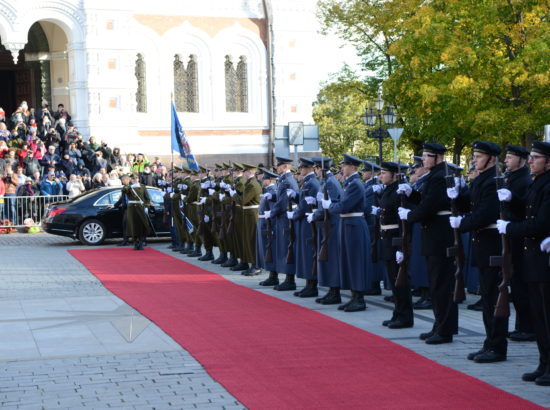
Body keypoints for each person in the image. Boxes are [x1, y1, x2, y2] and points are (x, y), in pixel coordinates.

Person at [496, 141, 550, 385]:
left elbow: (540, 223)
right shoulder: (538, 182)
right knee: (539, 316)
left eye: (536, 158)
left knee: (547, 315)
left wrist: (511, 228)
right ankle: (544, 363)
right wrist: (512, 200)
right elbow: (528, 209)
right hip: (533, 258)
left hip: (543, 257)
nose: (530, 161)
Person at [448, 141, 506, 362]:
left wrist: (461, 223)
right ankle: (489, 342)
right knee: (488, 296)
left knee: (493, 297)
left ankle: (497, 346)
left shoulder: (493, 181)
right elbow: (471, 204)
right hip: (482, 242)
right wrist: (456, 196)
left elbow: (485, 213)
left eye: (479, 156)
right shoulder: (482, 179)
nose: (475, 159)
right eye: (474, 156)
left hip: (490, 242)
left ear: (491, 159)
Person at [397, 143, 458, 344]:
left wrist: (410, 216)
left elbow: (430, 206)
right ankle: (439, 325)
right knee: (436, 284)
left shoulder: (440, 176)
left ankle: (444, 329)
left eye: (426, 156)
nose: (423, 160)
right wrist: (411, 195)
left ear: (438, 157)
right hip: (434, 233)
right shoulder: (435, 175)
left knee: (441, 284)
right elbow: (425, 200)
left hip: (439, 234)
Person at [321, 154, 372, 312]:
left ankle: (359, 299)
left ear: (353, 167)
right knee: (348, 262)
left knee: (356, 262)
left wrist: (330, 206)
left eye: (345, 165)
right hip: (347, 224)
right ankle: (354, 296)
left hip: (354, 225)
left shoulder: (355, 184)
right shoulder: (349, 183)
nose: (342, 168)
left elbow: (344, 206)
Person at [496, 145, 536, 342]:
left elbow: (525, 208)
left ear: (521, 159)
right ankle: (522, 325)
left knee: (522, 283)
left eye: (510, 157)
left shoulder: (524, 179)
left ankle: (527, 326)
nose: (506, 160)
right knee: (516, 283)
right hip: (510, 233)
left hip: (520, 236)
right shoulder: (511, 177)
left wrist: (512, 200)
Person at [375, 161, 414, 328]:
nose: (380, 176)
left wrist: (401, 247)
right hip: (386, 238)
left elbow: (404, 223)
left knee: (400, 280)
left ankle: (405, 317)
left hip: (395, 239)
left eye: (384, 173)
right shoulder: (389, 190)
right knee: (393, 279)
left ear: (394, 175)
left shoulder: (400, 191)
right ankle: (397, 313)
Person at [310, 156, 344, 304]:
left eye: (316, 169)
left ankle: (335, 292)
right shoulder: (325, 181)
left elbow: (334, 204)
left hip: (331, 225)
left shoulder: (330, 182)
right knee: (326, 258)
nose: (315, 172)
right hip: (325, 225)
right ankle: (331, 290)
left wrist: (316, 214)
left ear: (321, 169)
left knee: (331, 259)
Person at [264, 157, 299, 290]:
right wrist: (272, 197)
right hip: (282, 219)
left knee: (287, 248)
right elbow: (281, 198)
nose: (276, 168)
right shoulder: (284, 180)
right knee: (283, 249)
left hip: (285, 219)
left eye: (278, 166)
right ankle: (286, 278)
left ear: (284, 166)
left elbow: (284, 202)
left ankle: (290, 280)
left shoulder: (288, 181)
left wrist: (272, 213)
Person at [290, 157, 320, 297]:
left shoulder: (312, 182)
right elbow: (303, 200)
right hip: (304, 221)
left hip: (309, 223)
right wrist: (295, 196)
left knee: (309, 253)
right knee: (305, 253)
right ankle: (308, 284)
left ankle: (312, 285)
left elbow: (305, 206)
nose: (300, 170)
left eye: (302, 168)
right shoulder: (308, 182)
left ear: (308, 168)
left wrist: (294, 215)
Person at [232, 163, 262, 275]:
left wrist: (234, 195)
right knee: (247, 239)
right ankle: (250, 263)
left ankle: (256, 265)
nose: (243, 173)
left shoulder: (252, 184)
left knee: (252, 240)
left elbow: (243, 200)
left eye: (244, 171)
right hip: (248, 213)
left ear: (249, 172)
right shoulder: (250, 183)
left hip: (252, 214)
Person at [257, 169, 279, 285]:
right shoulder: (268, 190)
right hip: (263, 222)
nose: (262, 180)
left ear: (270, 180)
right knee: (265, 250)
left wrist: (272, 226)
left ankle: (273, 276)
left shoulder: (272, 191)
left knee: (269, 249)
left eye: (264, 178)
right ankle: (271, 274)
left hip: (268, 223)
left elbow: (273, 210)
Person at [122, 174, 152, 250]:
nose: (135, 180)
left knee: (141, 225)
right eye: (133, 179)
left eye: (136, 178)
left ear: (138, 179)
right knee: (133, 226)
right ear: (131, 180)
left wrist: (146, 207)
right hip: (132, 209)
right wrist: (130, 186)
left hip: (141, 208)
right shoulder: (128, 187)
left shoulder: (142, 187)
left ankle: (141, 242)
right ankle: (135, 243)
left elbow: (147, 199)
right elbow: (124, 190)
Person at [112, 174, 131, 246]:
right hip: (126, 208)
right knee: (125, 224)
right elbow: (121, 199)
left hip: (131, 208)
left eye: (123, 180)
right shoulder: (124, 188)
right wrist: (114, 205)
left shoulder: (131, 187)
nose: (122, 182)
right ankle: (126, 240)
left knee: (131, 225)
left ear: (127, 179)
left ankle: (138, 241)